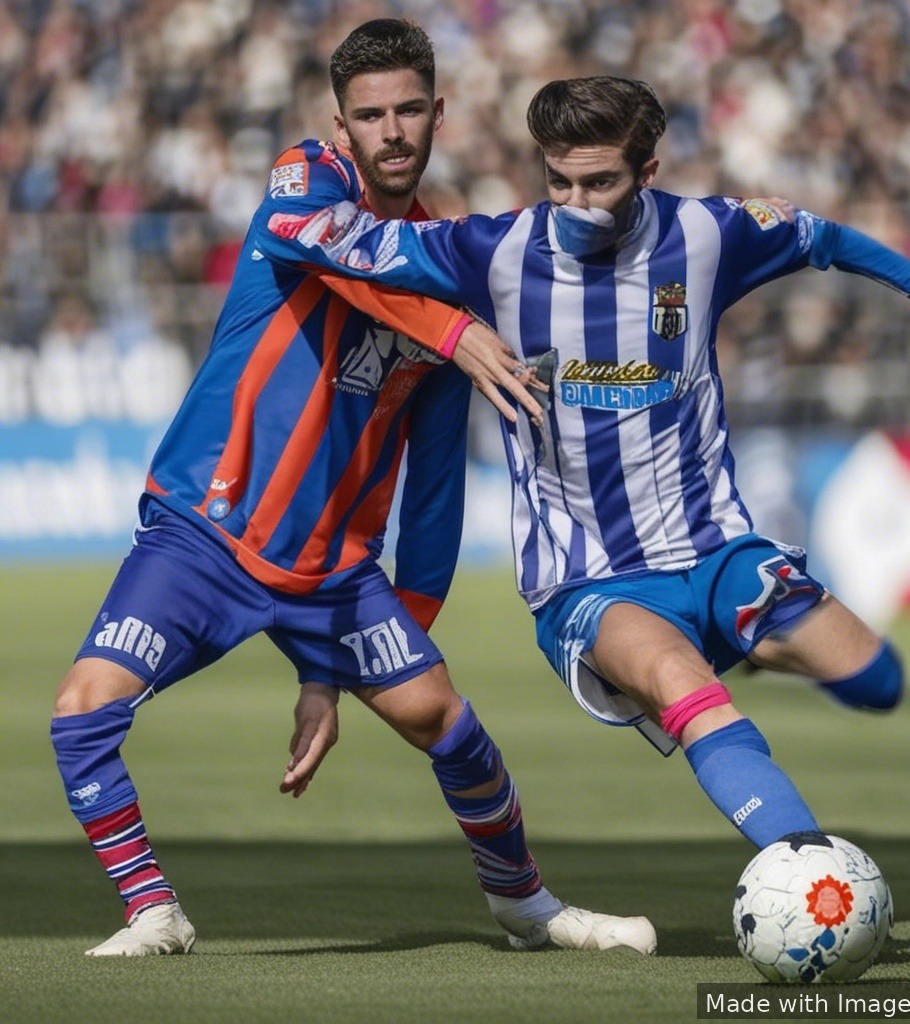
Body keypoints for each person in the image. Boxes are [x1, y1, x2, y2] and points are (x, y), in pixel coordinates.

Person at [263, 76, 910, 851]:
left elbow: (821, 237)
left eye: (600, 182)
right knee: (690, 690)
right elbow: (322, 239)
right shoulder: (494, 250)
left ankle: (736, 646)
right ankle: (810, 880)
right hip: (587, 580)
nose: (576, 202)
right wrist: (306, 173)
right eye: (559, 181)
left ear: (647, 173)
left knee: (877, 681)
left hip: (716, 549)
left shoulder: (711, 234)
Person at [51, 28, 655, 958]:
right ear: (342, 124)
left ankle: (526, 904)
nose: (392, 131)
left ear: (438, 112)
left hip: (334, 573)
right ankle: (152, 909)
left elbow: (433, 491)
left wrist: (331, 672)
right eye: (370, 115)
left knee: (440, 718)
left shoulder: (452, 269)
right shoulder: (305, 179)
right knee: (83, 709)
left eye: (409, 109)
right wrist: (455, 332)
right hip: (203, 536)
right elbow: (328, 248)